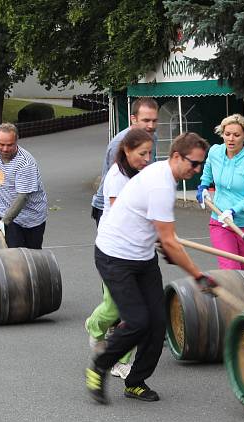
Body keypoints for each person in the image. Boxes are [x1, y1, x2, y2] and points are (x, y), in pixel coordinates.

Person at [85, 132, 218, 404]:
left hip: (142, 257)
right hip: (115, 256)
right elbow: (169, 241)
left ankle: (135, 381)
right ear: (177, 157)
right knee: (137, 321)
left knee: (157, 323)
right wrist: (198, 276)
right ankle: (99, 365)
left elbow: (158, 231)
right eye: (193, 164)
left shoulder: (162, 176)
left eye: (200, 165)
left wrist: (165, 245)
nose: (197, 170)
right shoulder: (161, 184)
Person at [85, 128, 154, 380]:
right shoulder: (117, 177)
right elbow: (121, 214)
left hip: (138, 251)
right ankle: (95, 325)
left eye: (149, 153)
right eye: (142, 153)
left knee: (135, 312)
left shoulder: (142, 173)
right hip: (114, 250)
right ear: (127, 150)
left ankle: (120, 360)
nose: (147, 159)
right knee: (114, 307)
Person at [196, 114, 244, 270]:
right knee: (231, 269)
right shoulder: (215, 152)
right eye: (227, 134)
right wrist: (203, 187)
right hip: (221, 222)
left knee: (243, 275)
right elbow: (208, 170)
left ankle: (230, 294)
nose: (231, 139)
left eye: (236, 135)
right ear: (222, 134)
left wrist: (234, 211)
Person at [90, 97, 158, 226]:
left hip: (136, 203)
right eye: (146, 120)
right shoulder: (120, 143)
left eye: (154, 121)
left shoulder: (152, 137)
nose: (151, 126)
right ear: (133, 119)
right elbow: (115, 186)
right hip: (109, 206)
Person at [0, 123, 48, 249]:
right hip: (8, 213)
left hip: (31, 218)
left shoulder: (25, 164)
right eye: (1, 144)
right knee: (15, 256)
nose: (5, 149)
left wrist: (4, 221)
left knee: (31, 257)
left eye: (10, 145)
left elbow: (22, 197)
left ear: (16, 142)